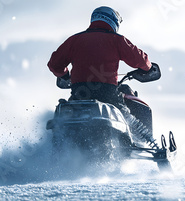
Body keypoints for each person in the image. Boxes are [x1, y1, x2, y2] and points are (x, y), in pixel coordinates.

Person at [47, 6, 157, 147]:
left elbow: (54, 64)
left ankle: (56, 151)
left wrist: (65, 75)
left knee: (66, 114)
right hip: (107, 94)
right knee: (128, 117)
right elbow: (140, 60)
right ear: (113, 21)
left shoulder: (75, 40)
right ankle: (149, 146)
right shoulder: (117, 40)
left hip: (79, 94)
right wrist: (147, 68)